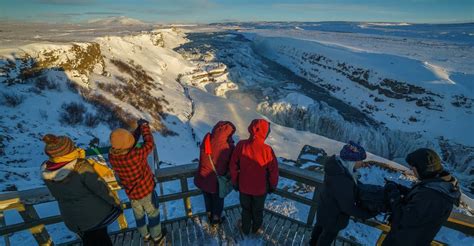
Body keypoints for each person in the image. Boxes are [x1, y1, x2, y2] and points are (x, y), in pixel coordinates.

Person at [41, 134, 121, 246]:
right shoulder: (81, 166)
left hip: (72, 219)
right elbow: (100, 188)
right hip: (94, 216)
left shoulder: (46, 171)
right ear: (69, 151)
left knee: (88, 241)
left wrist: (77, 158)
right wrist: (116, 202)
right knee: (102, 240)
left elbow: (71, 183)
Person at [382, 148, 461, 246]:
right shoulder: (438, 187)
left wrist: (393, 194)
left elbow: (402, 219)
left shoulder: (432, 196)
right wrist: (400, 188)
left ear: (422, 169)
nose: (411, 170)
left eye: (413, 168)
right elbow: (419, 203)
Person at [108, 119, 166, 244]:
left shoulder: (112, 157)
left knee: (139, 216)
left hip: (132, 194)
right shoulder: (136, 154)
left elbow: (127, 143)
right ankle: (157, 237)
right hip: (147, 191)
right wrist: (144, 127)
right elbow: (149, 143)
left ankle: (145, 235)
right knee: (153, 214)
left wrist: (138, 129)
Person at [310, 141, 373, 246]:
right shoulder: (343, 179)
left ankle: (311, 243)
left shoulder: (335, 167)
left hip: (324, 208)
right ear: (351, 161)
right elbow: (348, 207)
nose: (361, 163)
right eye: (360, 160)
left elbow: (342, 187)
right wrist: (367, 214)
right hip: (334, 218)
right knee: (325, 239)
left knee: (319, 229)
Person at [229, 119, 279, 235]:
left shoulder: (241, 145)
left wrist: (235, 182)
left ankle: (245, 229)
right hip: (260, 189)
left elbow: (233, 166)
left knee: (246, 210)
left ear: (251, 129)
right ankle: (256, 229)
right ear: (265, 133)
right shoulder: (267, 150)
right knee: (258, 210)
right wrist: (272, 186)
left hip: (244, 187)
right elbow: (273, 172)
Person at [194, 121, 236, 224]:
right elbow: (232, 164)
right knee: (217, 201)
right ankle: (216, 219)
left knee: (207, 198)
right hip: (216, 182)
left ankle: (209, 215)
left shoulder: (207, 139)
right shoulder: (228, 147)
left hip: (203, 178)